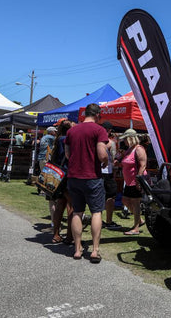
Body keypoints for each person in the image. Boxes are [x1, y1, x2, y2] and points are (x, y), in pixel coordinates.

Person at [65, 103, 109, 262]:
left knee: (77, 211)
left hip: (74, 177)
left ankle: (77, 249)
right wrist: (104, 161)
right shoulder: (99, 130)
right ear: (97, 115)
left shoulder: (72, 130)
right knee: (96, 212)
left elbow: (68, 154)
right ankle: (95, 250)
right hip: (92, 177)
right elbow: (102, 154)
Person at [118, 129, 147, 235]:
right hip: (129, 181)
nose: (124, 141)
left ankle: (136, 228)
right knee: (125, 200)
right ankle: (139, 220)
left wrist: (138, 180)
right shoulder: (129, 149)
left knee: (135, 203)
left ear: (130, 138)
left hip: (136, 181)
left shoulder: (139, 149)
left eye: (125, 139)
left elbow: (143, 165)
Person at [50, 119, 74, 244]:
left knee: (60, 205)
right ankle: (70, 236)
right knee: (71, 206)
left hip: (59, 174)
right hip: (68, 174)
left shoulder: (58, 139)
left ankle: (56, 234)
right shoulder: (67, 139)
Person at [101, 122, 121, 230]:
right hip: (106, 171)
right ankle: (108, 221)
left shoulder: (95, 141)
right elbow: (113, 159)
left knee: (99, 196)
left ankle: (98, 220)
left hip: (96, 172)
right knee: (111, 196)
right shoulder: (109, 143)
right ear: (109, 131)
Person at [38, 126, 57, 226]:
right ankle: (45, 190)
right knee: (48, 178)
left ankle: (43, 190)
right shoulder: (50, 137)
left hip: (41, 158)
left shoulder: (44, 137)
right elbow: (57, 140)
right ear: (51, 132)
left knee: (44, 176)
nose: (56, 133)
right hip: (45, 159)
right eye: (55, 131)